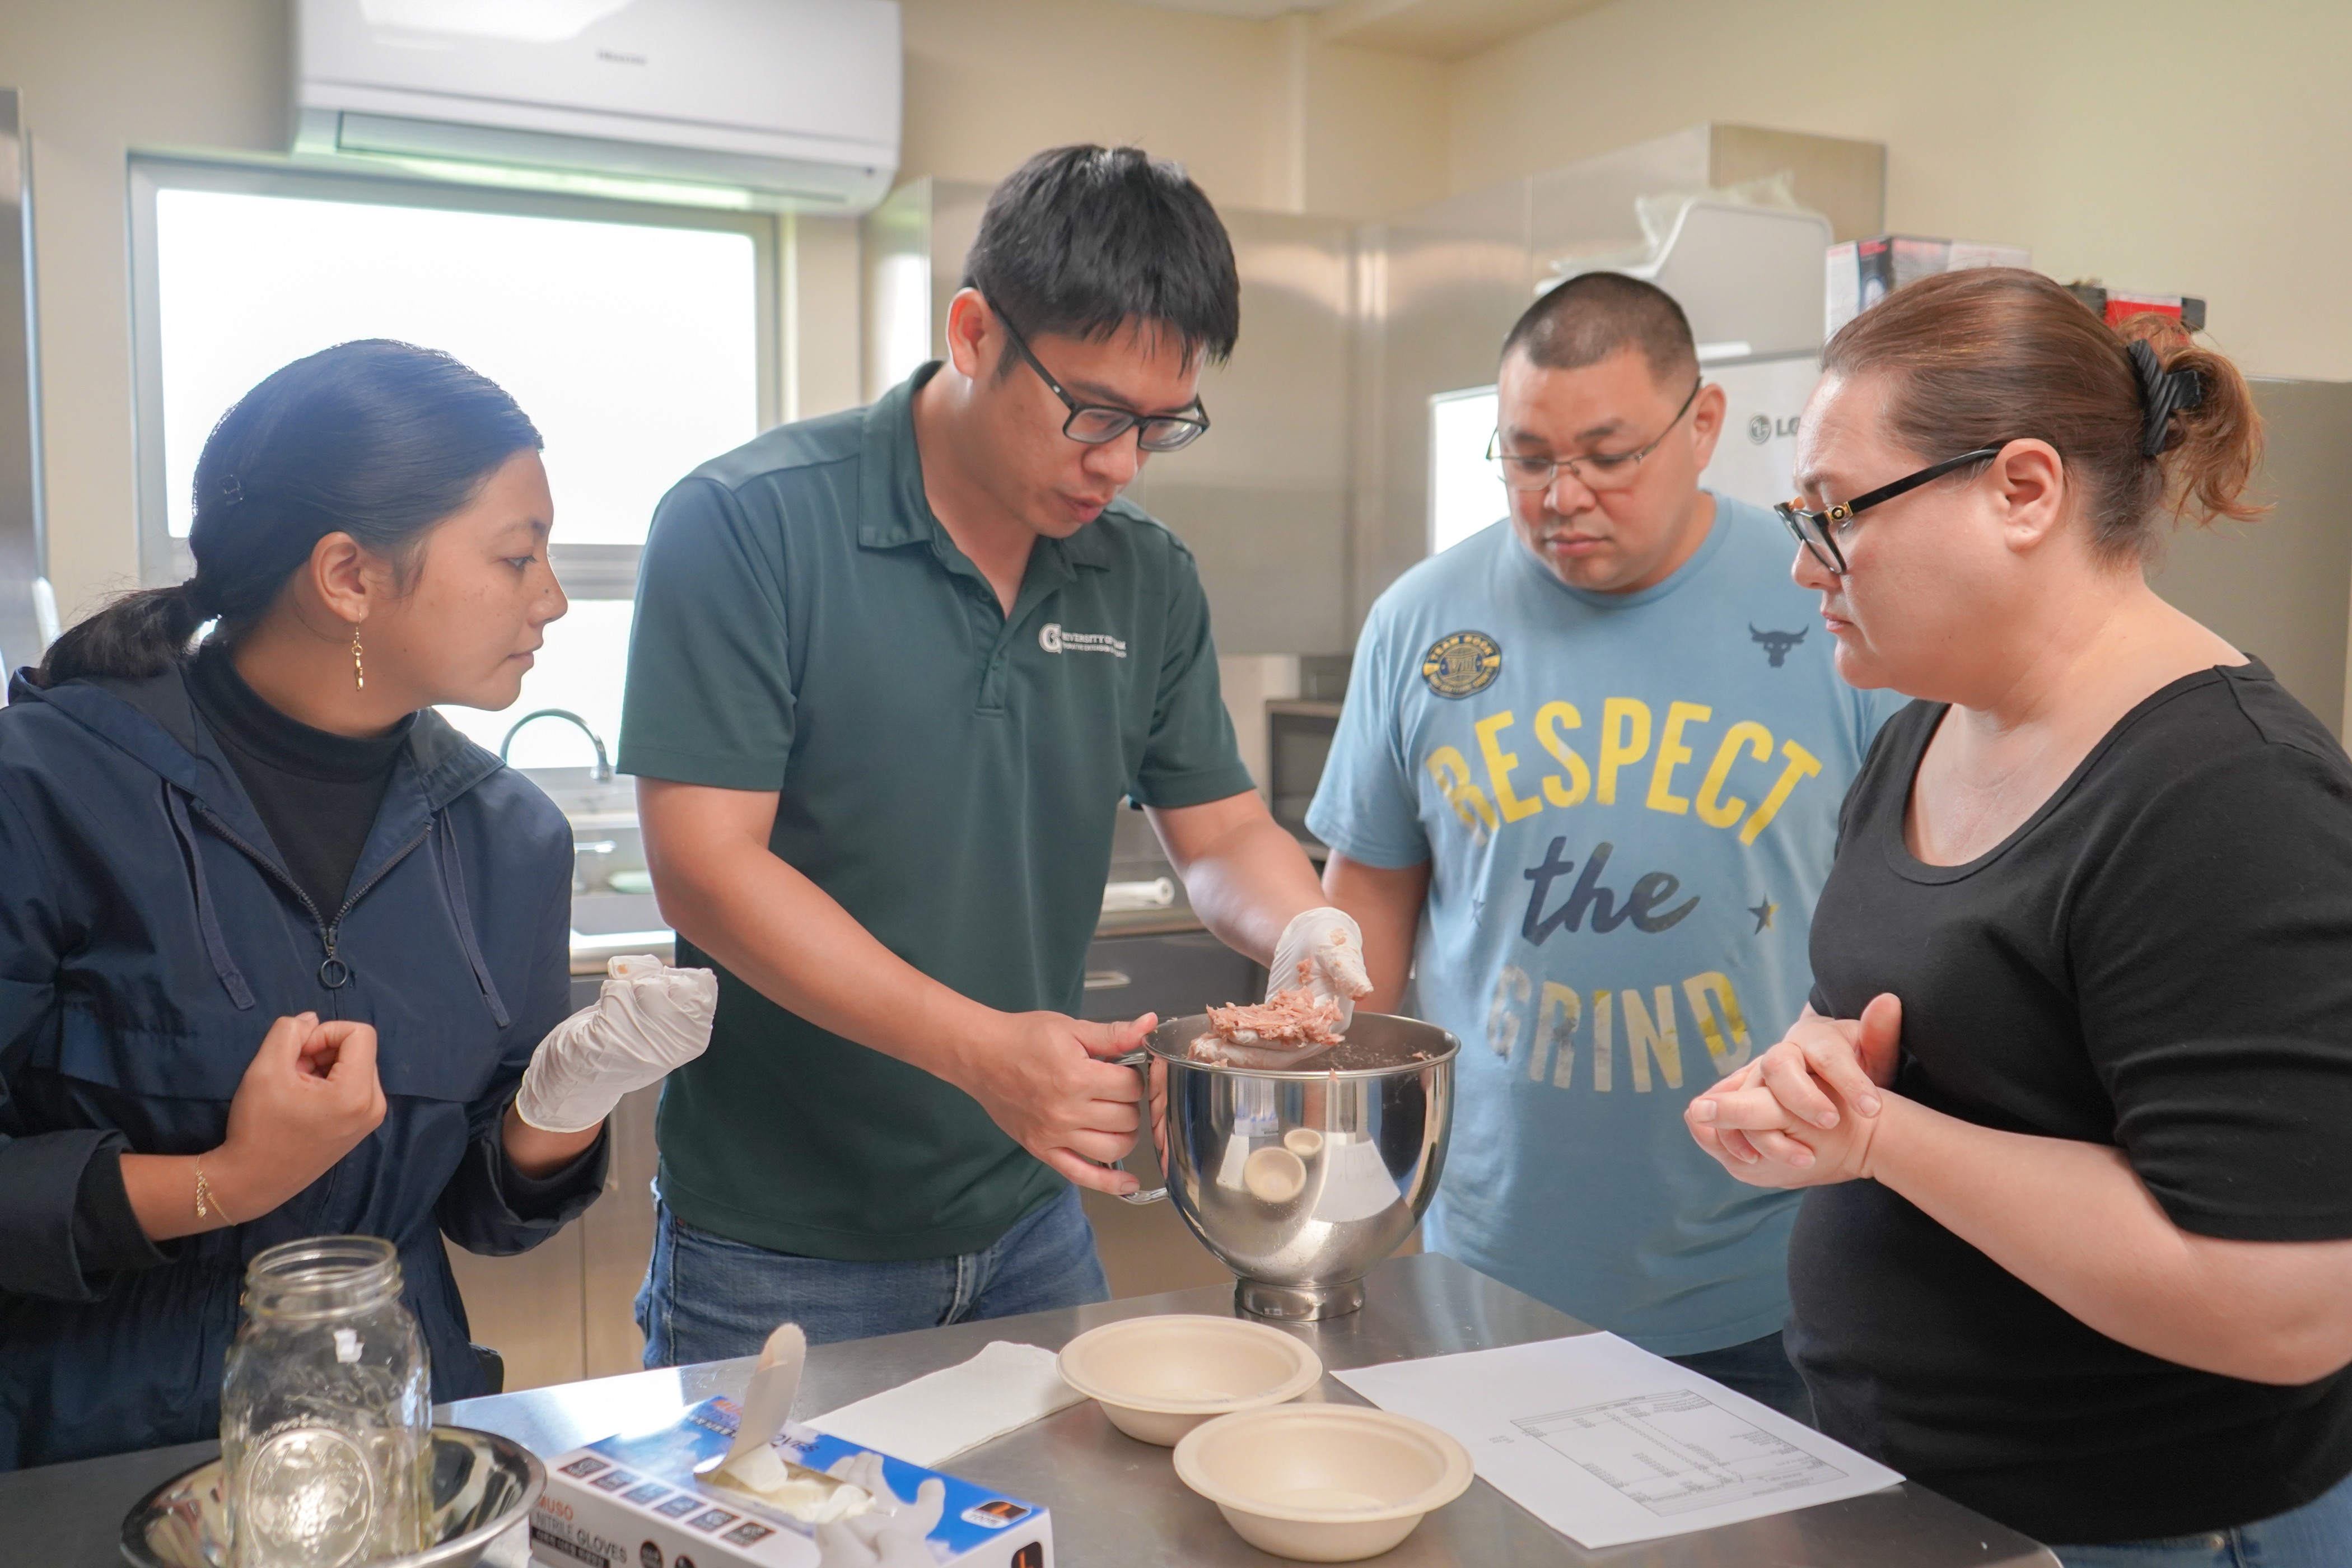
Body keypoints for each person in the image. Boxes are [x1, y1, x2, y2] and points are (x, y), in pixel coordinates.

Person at [620, 144, 1364, 1359]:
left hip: (1032, 1220)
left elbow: (1221, 828)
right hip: (780, 1244)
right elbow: (707, 866)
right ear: (974, 333)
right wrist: (981, 1050)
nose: (1121, 464)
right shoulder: (748, 525)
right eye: (1093, 413)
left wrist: (1304, 928)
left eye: (1160, 426)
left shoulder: (1145, 574)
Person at [1684, 269, 2352, 1562]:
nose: (1802, 562)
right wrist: (1810, 1081)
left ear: (2024, 489)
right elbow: (1913, 1036)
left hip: (2144, 1523)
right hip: (1915, 1490)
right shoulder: (1922, 732)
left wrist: (1880, 1135)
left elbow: (2291, 1304)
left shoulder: (2232, 795)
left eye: (1836, 514)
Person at [0, 340, 711, 1469]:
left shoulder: (510, 837)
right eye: (518, 557)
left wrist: (568, 1098)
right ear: (349, 577)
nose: (555, 598)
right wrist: (223, 1181)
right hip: (93, 1458)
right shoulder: (44, 785)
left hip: (398, 1449)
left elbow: (481, 1209)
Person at [1308, 273, 1902, 1421]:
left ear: (1706, 426)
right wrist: (1338, 1164)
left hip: (1768, 1276)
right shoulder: (1422, 620)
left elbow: (1911, 909)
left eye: (1606, 453)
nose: (1561, 494)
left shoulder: (1831, 606)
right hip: (1485, 1262)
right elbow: (1368, 896)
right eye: (1526, 456)